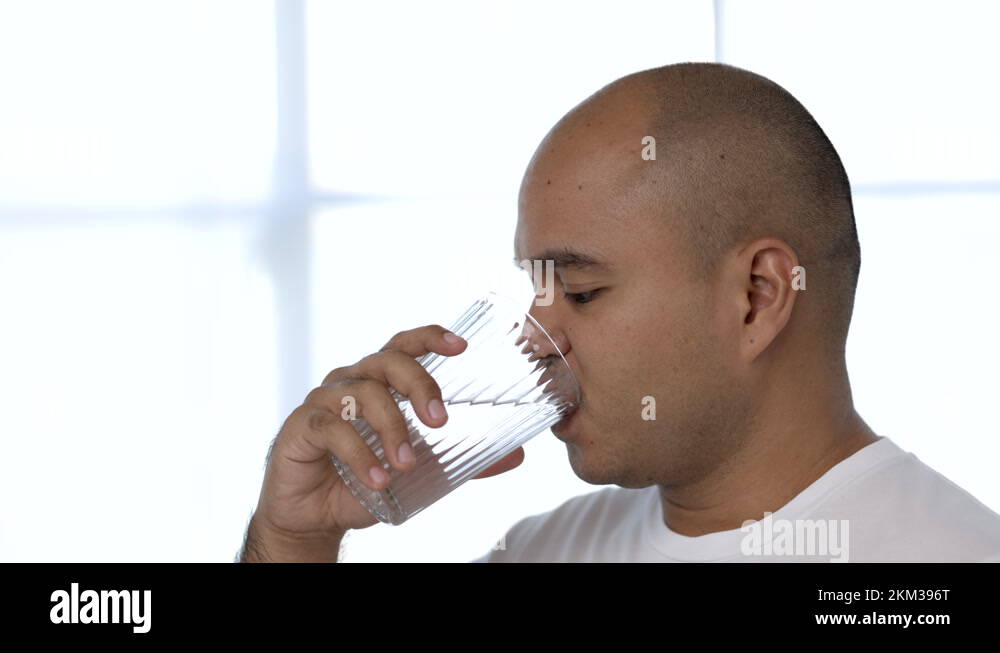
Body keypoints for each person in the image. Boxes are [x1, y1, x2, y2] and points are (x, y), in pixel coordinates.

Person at [238, 62, 1000, 563]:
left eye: (581, 291)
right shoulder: (544, 553)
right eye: (533, 289)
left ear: (757, 298)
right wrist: (295, 537)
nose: (534, 341)